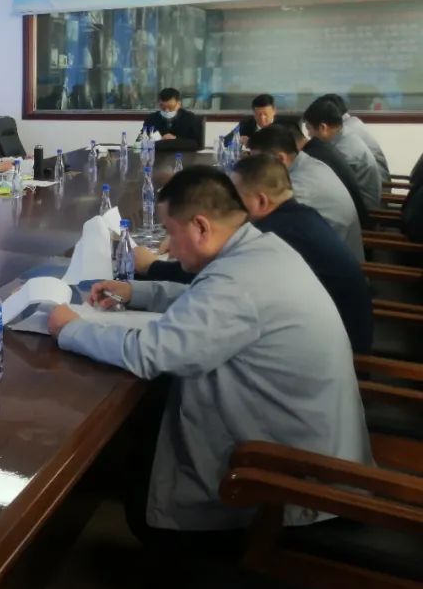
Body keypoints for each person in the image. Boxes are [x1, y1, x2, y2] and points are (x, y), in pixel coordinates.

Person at [47, 166, 370, 537]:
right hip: (309, 447)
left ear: (200, 226)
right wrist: (138, 292)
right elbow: (204, 297)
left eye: (171, 232)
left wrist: (70, 328)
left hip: (291, 487)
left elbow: (151, 354)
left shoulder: (238, 280)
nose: (168, 246)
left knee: (143, 498)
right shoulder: (261, 248)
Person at [230, 155, 372, 352]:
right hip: (343, 326)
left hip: (342, 345)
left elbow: (232, 280)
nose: (229, 207)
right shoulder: (302, 214)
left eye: (235, 199)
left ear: (261, 201)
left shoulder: (274, 234)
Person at [247, 125, 364, 261]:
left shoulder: (300, 184)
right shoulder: (307, 163)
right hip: (334, 248)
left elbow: (258, 222)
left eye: (258, 162)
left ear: (280, 158)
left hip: (335, 263)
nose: (255, 168)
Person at [279, 115, 369, 226]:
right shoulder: (320, 148)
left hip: (358, 224)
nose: (309, 134)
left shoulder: (312, 157)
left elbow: (286, 203)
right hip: (356, 218)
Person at [304, 99, 382, 211]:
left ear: (323, 128)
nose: (309, 134)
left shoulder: (342, 151)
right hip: (359, 201)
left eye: (309, 128)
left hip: (363, 210)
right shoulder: (345, 135)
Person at [318, 93, 390, 183]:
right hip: (375, 181)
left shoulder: (345, 130)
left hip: (377, 185)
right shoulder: (353, 122)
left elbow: (333, 161)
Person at [138, 88, 202, 145]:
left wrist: (175, 139)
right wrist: (160, 140)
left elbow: (197, 143)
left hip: (183, 153)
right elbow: (140, 142)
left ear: (179, 104)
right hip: (158, 153)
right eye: (163, 107)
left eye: (171, 107)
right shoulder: (151, 119)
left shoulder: (189, 118)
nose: (167, 111)